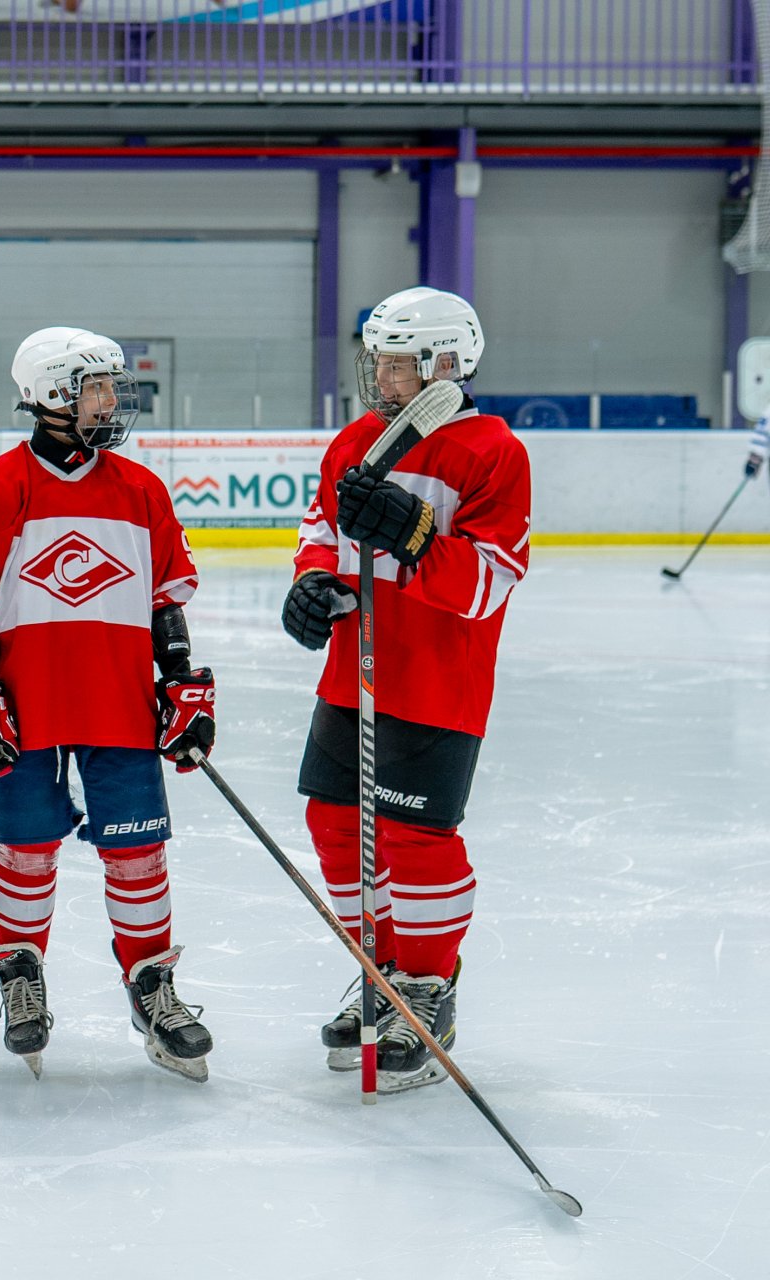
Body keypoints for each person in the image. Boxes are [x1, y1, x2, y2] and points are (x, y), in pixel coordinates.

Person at [0, 327, 217, 1084]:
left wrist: (180, 680)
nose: (110, 402)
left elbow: (164, 599)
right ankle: (21, 974)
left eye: (111, 388)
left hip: (118, 701)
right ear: (52, 393)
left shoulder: (142, 489)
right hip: (23, 707)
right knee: (27, 849)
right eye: (95, 388)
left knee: (137, 850)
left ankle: (152, 986)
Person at [282, 286, 529, 1094]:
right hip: (352, 674)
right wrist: (313, 583)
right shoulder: (357, 440)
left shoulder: (493, 451)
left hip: (437, 683)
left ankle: (428, 987)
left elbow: (491, 582)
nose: (379, 377)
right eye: (378, 362)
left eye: (395, 364)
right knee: (332, 822)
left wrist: (417, 534)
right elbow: (320, 531)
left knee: (414, 837)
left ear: (443, 364)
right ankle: (383, 972)